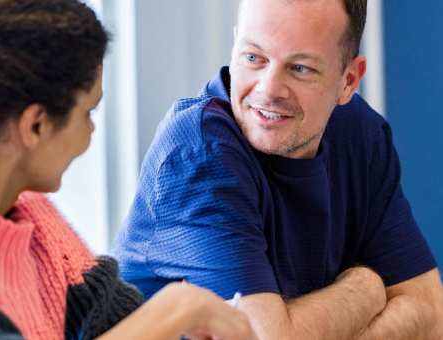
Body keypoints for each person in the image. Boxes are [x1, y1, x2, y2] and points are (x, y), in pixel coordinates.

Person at [0, 0, 254, 339]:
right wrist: (174, 310)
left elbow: (117, 324)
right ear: (35, 125)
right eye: (87, 113)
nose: (90, 134)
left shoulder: (31, 218)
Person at [115, 0, 443, 338]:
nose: (268, 90)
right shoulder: (198, 153)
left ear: (348, 81)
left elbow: (430, 313)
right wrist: (364, 288)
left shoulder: (359, 134)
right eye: (254, 58)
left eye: (300, 68)